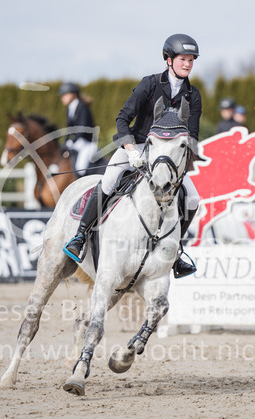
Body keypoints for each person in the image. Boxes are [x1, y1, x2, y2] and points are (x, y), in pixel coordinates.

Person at [64, 33, 202, 278]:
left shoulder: (193, 95)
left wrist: (182, 159)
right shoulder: (149, 84)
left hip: (167, 155)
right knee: (109, 181)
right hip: (137, 146)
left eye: (191, 60)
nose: (187, 64)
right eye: (183, 59)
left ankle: (176, 251)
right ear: (169, 60)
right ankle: (80, 236)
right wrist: (130, 149)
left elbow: (192, 134)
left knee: (192, 198)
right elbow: (122, 119)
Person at [58, 82, 101, 177]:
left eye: (65, 95)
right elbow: (69, 128)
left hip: (87, 143)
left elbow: (82, 128)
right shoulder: (70, 109)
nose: (62, 98)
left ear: (73, 94)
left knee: (80, 168)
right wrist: (65, 142)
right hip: (79, 142)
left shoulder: (82, 107)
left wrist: (72, 141)